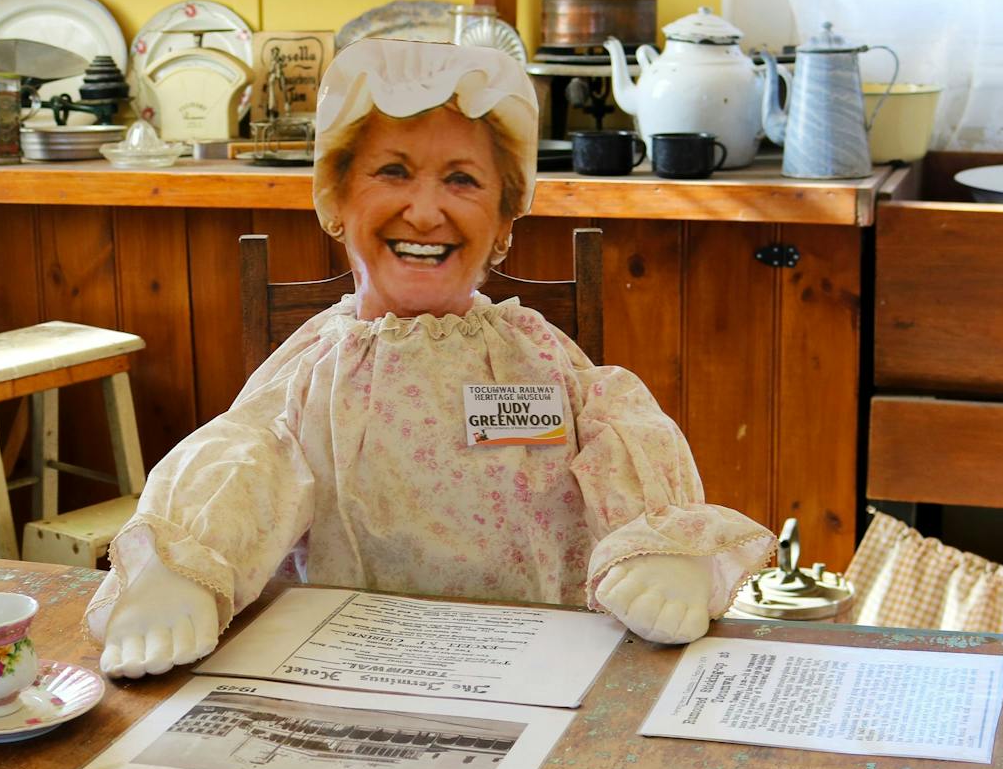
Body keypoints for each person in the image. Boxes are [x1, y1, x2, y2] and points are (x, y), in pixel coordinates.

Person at [90, 40, 773, 678]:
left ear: (505, 223)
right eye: (393, 171)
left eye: (463, 181)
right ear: (334, 199)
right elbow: (246, 459)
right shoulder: (316, 369)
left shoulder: (535, 355)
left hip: (535, 665)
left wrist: (663, 551)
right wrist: (183, 569)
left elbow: (622, 437)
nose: (424, 211)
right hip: (353, 668)